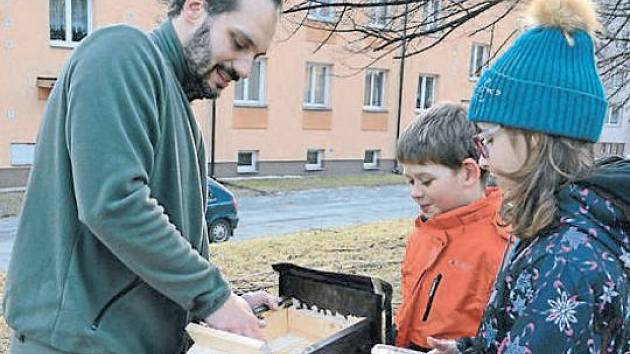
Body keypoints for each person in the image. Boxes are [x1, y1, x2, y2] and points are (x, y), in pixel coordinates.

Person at [3, 0, 281, 353]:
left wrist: (224, 307)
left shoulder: (185, 120)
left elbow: (170, 252)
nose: (244, 69)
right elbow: (115, 204)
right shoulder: (121, 53)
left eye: (256, 57)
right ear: (195, 7)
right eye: (239, 42)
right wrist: (214, 298)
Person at [427, 0, 630, 353]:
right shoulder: (556, 223)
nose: (483, 160)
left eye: (489, 138)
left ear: (535, 139)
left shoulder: (568, 265)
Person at [394, 103, 510, 352]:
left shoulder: (503, 244)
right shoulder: (423, 234)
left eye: (426, 181)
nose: (414, 193)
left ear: (469, 173)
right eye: (410, 180)